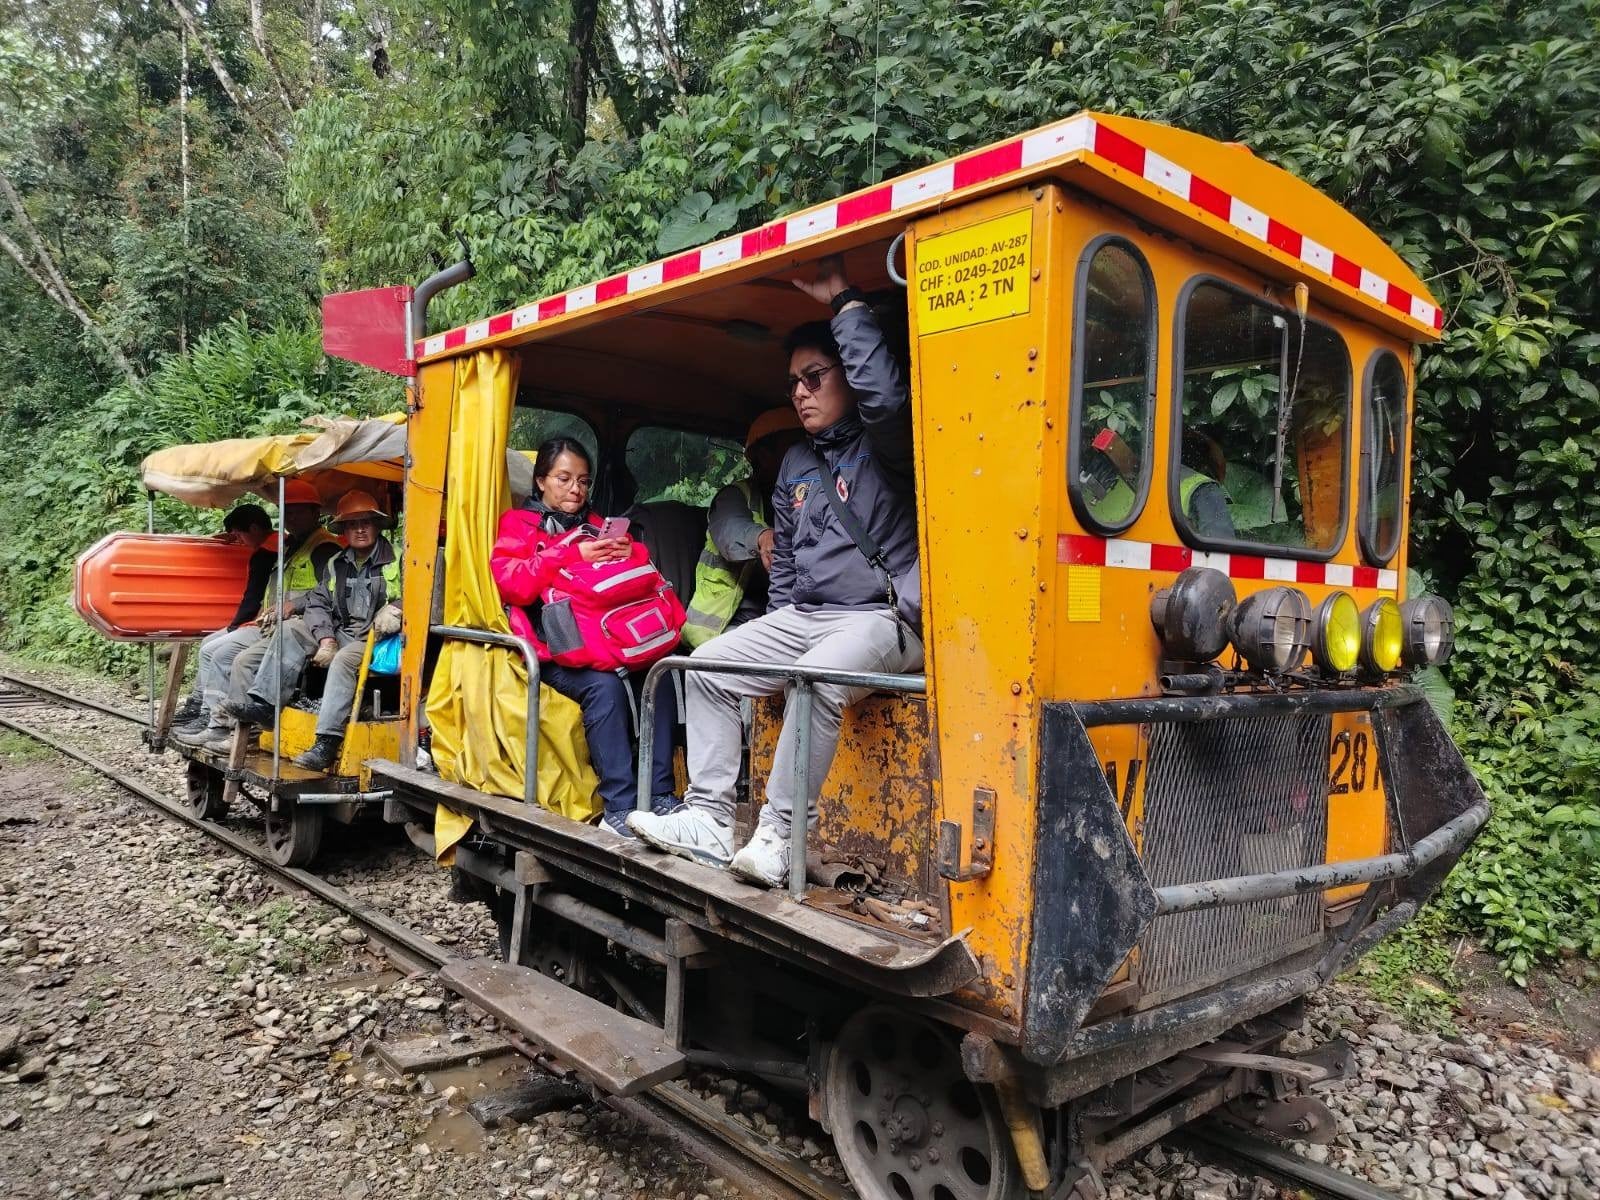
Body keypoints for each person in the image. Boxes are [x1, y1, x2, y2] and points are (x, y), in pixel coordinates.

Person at [627, 256, 924, 887]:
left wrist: (844, 302)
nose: (801, 393)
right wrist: (776, 627)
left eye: (814, 378)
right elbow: (786, 564)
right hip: (807, 617)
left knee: (813, 678)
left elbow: (885, 396)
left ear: (848, 379)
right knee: (705, 668)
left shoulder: (887, 446)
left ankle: (782, 834)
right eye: (793, 383)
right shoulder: (795, 463)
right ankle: (709, 819)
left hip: (883, 619)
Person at [491, 437, 680, 838]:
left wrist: (627, 551)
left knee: (660, 676)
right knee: (604, 689)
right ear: (541, 481)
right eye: (564, 478)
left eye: (582, 480)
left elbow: (637, 573)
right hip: (556, 651)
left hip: (610, 640)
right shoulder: (517, 524)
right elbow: (512, 584)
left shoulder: (597, 524)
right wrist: (570, 554)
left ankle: (661, 793)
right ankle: (620, 807)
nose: (575, 489)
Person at [214, 490, 401, 770]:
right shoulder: (337, 563)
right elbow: (317, 602)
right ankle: (266, 705)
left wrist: (397, 607)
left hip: (378, 639)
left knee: (343, 660)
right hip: (341, 631)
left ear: (377, 525)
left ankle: (326, 742)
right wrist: (326, 639)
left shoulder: (399, 557)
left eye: (365, 522)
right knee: (291, 630)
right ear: (344, 530)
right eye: (352, 524)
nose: (360, 529)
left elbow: (426, 591)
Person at [175, 483, 340, 743]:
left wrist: (294, 604)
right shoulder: (293, 545)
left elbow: (330, 592)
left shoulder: (324, 547)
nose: (292, 518)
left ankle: (235, 729)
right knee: (220, 654)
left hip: (304, 627)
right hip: (273, 624)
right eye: (287, 512)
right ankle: (218, 724)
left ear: (315, 513)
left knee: (233, 658)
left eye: (298, 512)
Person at [681, 407, 804, 647]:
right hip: (726, 625)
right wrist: (763, 537)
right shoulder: (735, 495)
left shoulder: (806, 498)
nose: (803, 458)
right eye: (793, 449)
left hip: (786, 617)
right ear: (763, 456)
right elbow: (730, 529)